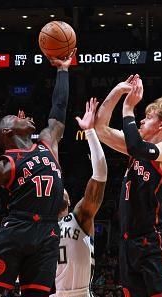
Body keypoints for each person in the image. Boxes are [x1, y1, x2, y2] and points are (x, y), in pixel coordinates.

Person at [0, 51, 75, 297]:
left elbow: (59, 107)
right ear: (8, 129)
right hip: (17, 229)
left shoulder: (47, 141)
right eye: (16, 117)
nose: (28, 116)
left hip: (49, 232)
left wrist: (63, 70)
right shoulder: (3, 166)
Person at [95, 74, 162, 297]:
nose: (142, 120)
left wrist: (128, 109)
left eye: (148, 117)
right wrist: (118, 90)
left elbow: (136, 146)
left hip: (152, 241)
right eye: (142, 117)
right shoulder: (136, 148)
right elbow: (100, 128)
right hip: (127, 242)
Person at [51, 98, 107, 297]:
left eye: (63, 188)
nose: (60, 189)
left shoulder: (79, 217)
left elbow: (100, 178)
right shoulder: (39, 226)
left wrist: (90, 132)